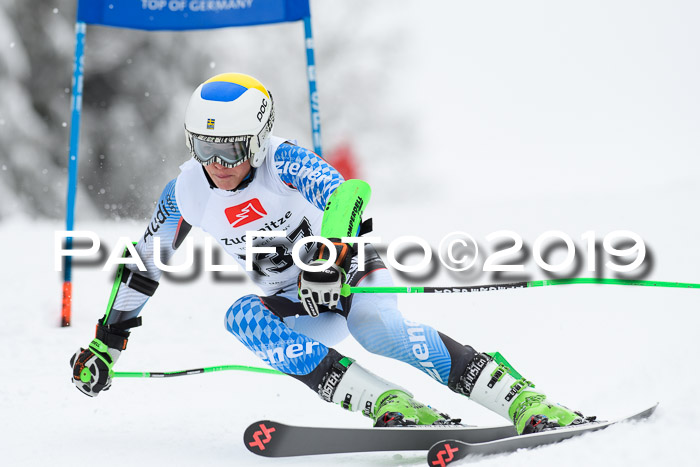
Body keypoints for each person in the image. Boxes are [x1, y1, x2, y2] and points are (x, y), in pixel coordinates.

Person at [70, 72, 593, 434]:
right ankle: (387, 404)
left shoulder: (284, 163)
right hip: (296, 299)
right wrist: (106, 342)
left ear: (256, 140)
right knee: (241, 317)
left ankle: (524, 401)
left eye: (231, 148)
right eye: (203, 148)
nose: (217, 163)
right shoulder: (187, 193)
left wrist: (329, 259)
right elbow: (143, 266)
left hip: (351, 275)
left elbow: (350, 194)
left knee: (378, 331)